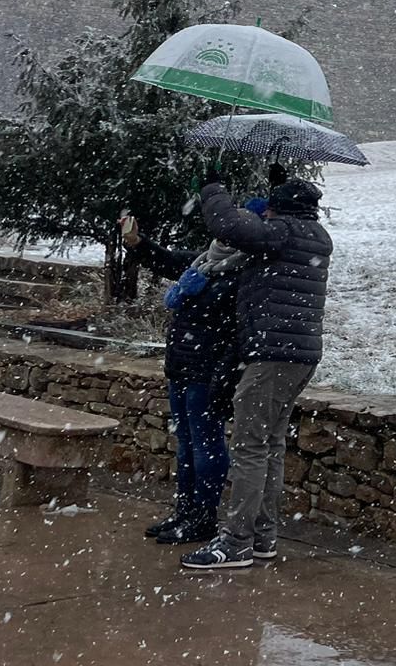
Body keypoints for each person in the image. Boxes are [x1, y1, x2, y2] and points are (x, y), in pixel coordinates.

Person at [180, 171, 332, 570]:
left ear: (280, 209)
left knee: (249, 447)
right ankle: (263, 537)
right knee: (270, 446)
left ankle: (236, 543)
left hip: (270, 355)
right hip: (296, 354)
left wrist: (212, 187)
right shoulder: (309, 236)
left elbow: (227, 224)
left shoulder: (282, 231)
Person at [121, 201, 265, 544]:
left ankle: (203, 517)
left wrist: (224, 370)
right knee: (185, 443)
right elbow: (167, 261)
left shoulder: (247, 270)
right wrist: (137, 243)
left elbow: (238, 328)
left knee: (206, 445)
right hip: (182, 364)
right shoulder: (206, 259)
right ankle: (184, 512)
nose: (226, 230)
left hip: (209, 370)